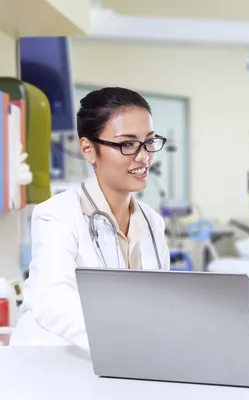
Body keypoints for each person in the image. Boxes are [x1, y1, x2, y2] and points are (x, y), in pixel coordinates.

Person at [10, 87, 171, 351]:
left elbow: (160, 302)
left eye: (149, 142)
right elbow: (52, 299)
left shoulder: (152, 223)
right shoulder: (57, 215)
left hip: (121, 364)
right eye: (127, 144)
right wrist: (124, 344)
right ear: (88, 149)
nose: (143, 156)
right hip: (49, 364)